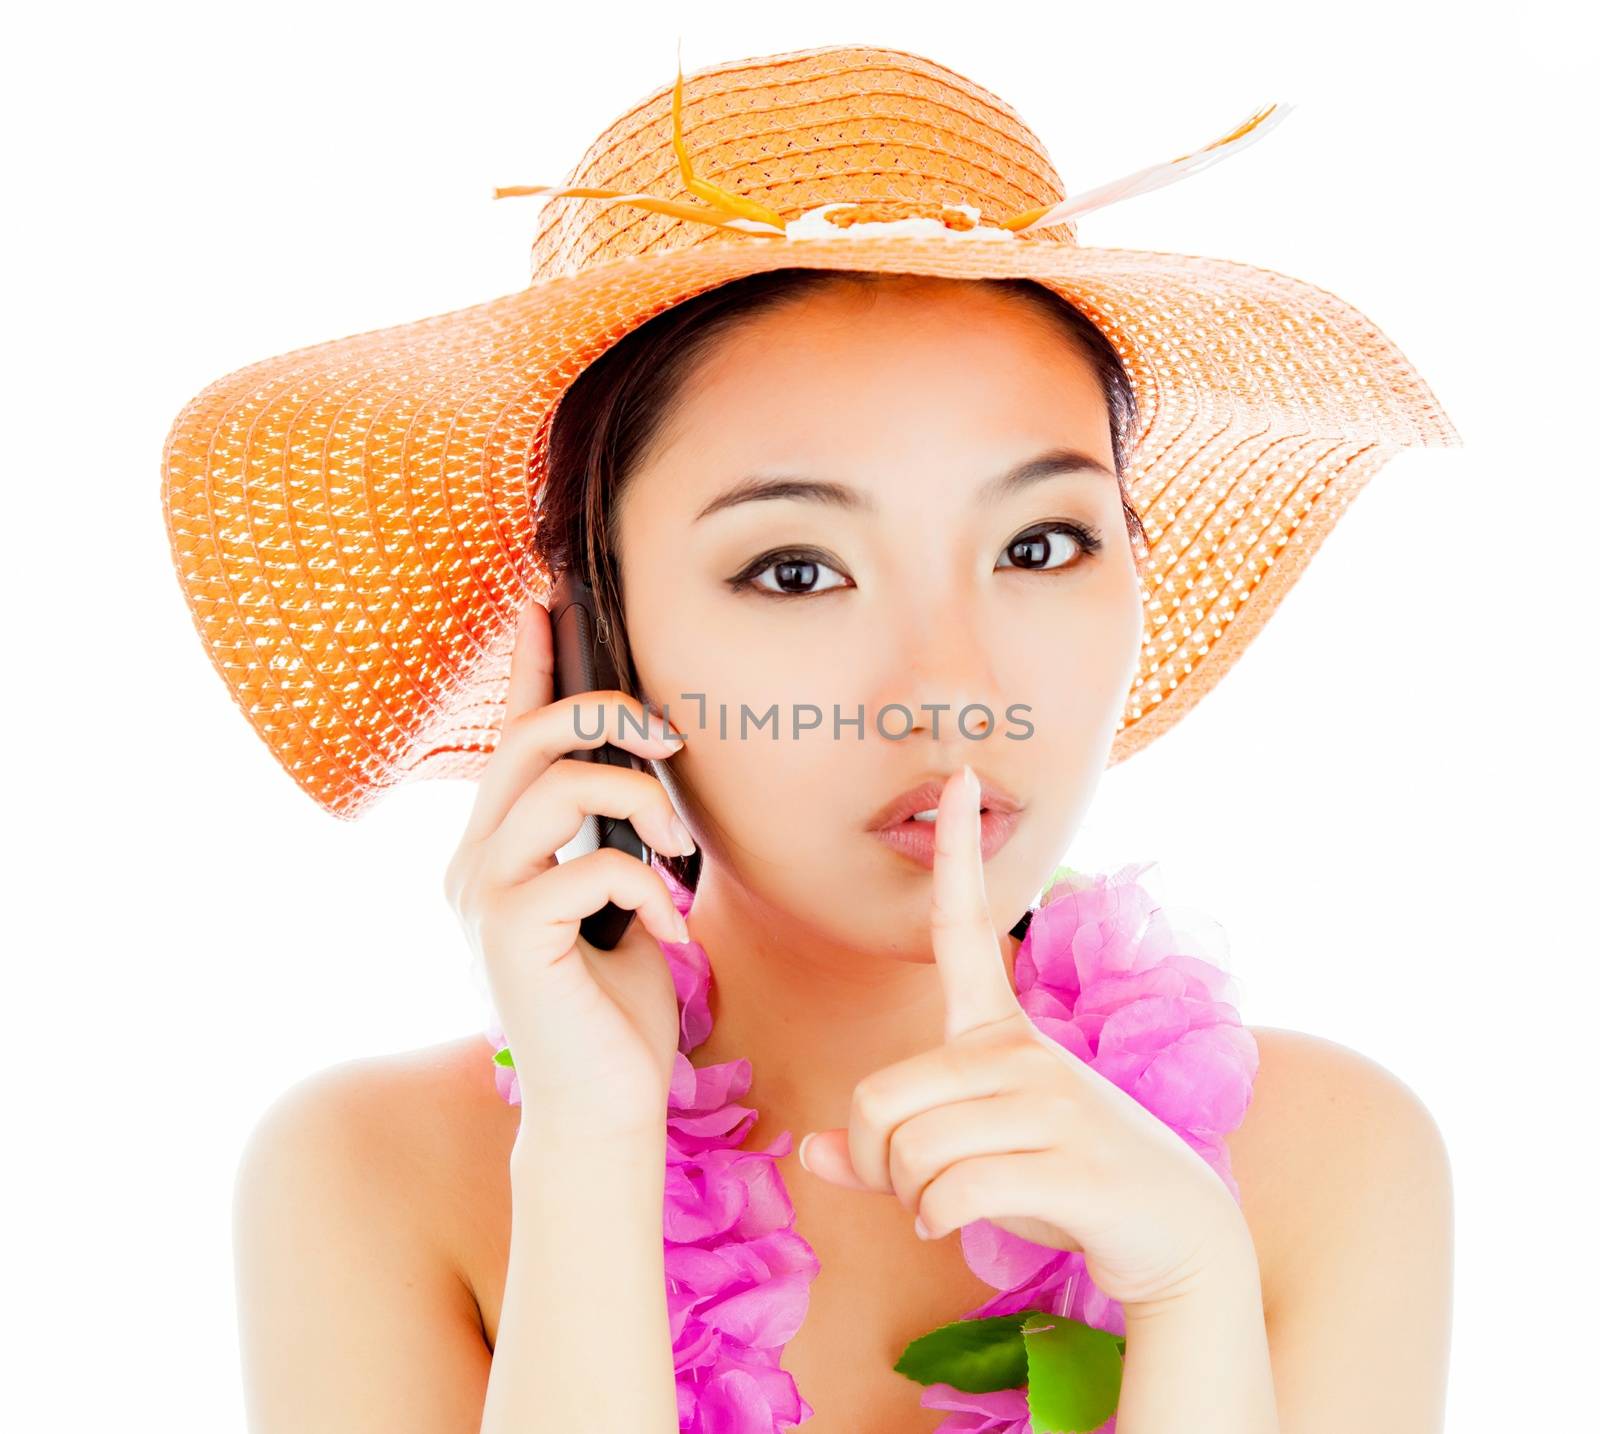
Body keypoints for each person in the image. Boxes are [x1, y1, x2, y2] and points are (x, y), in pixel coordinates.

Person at [178, 45, 1457, 1434]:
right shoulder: (374, 1178)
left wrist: (1193, 1297)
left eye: (1040, 541)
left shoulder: (1324, 1166)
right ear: (602, 628)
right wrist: (588, 1154)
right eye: (795, 569)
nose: (950, 684)